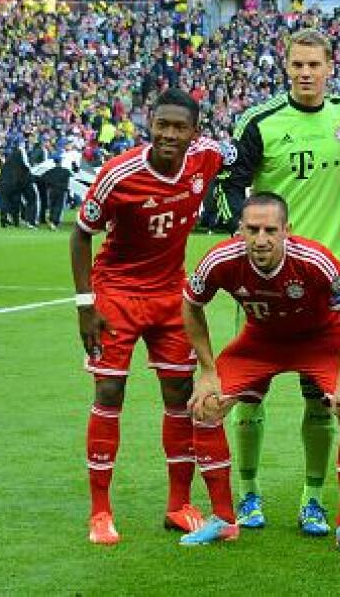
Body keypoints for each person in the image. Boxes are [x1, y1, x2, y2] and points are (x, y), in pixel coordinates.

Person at [216, 28, 340, 534]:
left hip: (326, 287)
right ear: (286, 67)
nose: (306, 72)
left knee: (321, 399)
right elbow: (228, 185)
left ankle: (313, 499)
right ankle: (248, 494)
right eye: (297, 64)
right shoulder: (260, 122)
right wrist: (245, 240)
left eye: (314, 64)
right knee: (249, 395)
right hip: (265, 280)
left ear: (330, 67)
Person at [70, 88, 231, 546]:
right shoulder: (118, 174)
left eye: (180, 127)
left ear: (194, 133)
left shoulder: (207, 157)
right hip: (117, 292)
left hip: (169, 293)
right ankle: (100, 512)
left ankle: (178, 505)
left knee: (180, 393)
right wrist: (85, 305)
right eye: (162, 125)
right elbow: (81, 235)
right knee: (109, 390)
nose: (169, 134)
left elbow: (241, 152)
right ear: (149, 124)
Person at [179, 192, 340, 546]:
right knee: (205, 406)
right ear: (240, 229)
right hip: (260, 341)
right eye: (253, 229)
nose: (261, 239)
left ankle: (332, 513)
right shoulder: (220, 259)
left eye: (270, 230)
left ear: (287, 230)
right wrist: (208, 372)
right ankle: (226, 516)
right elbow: (190, 304)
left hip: (320, 340)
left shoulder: (316, 260)